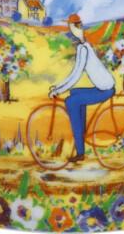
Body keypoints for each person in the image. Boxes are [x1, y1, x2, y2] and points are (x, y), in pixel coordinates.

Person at [49, 13, 116, 163]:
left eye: (71, 27)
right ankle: (82, 133)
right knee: (74, 93)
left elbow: (76, 75)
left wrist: (58, 90)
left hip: (105, 90)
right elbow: (75, 74)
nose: (70, 29)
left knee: (71, 102)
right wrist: (59, 87)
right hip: (104, 86)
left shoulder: (83, 49)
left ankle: (80, 151)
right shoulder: (83, 46)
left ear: (75, 28)